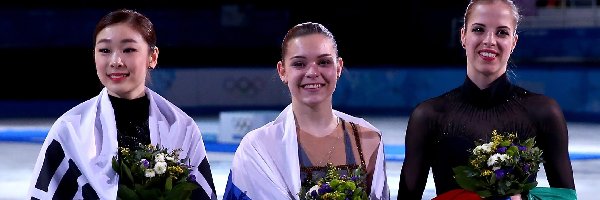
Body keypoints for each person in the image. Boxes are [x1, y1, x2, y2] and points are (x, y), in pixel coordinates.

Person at [27, 9, 216, 199]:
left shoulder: (182, 127)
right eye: (105, 50)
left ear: (153, 57)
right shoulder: (69, 129)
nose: (116, 61)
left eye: (128, 50)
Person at [397, 0, 576, 199]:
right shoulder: (429, 115)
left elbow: (566, 196)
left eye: (502, 32)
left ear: (513, 42)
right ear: (463, 36)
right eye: (479, 29)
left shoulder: (543, 112)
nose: (490, 40)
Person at [223, 22, 390, 200]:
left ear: (339, 67)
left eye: (324, 62)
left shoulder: (369, 140)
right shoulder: (257, 148)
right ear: (282, 71)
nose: (312, 72)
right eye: (299, 64)